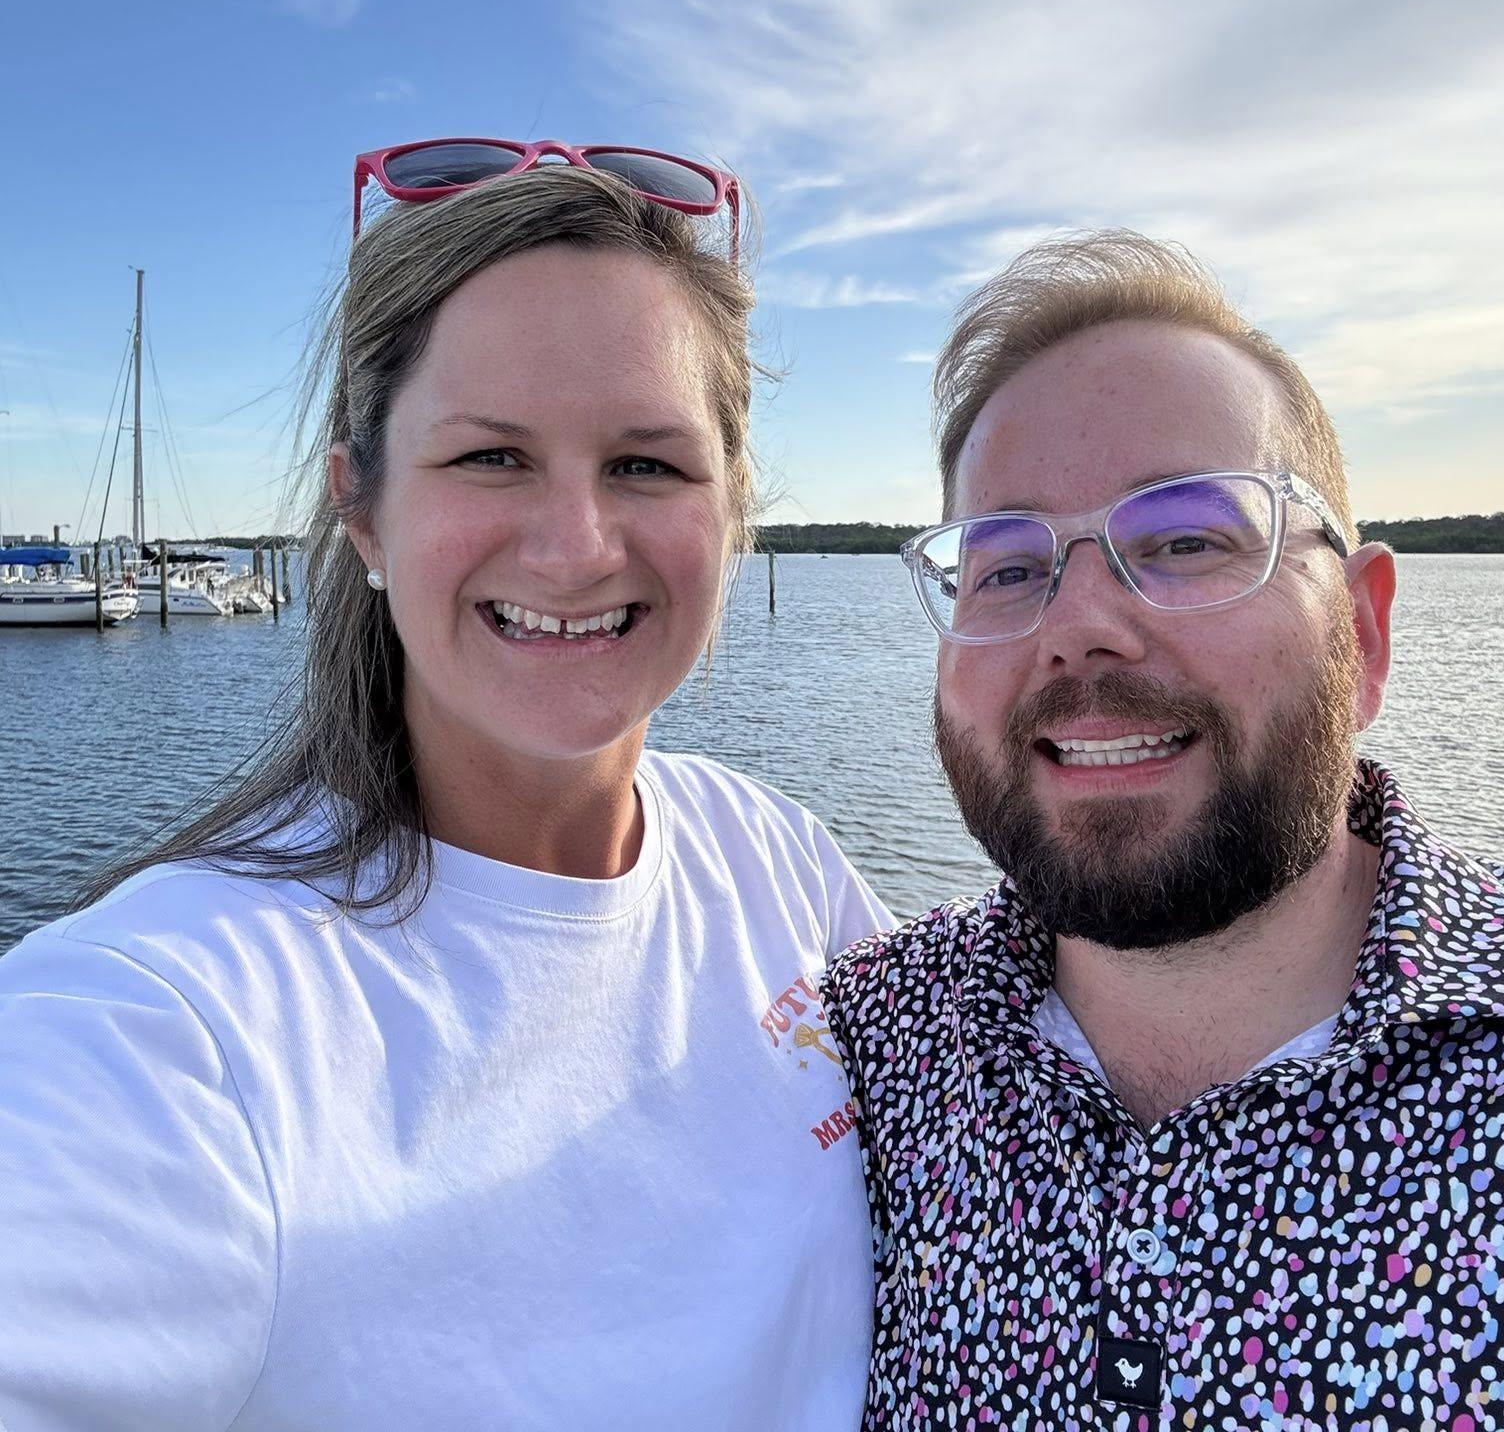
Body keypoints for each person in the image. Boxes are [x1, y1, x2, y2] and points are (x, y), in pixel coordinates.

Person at [0, 144, 891, 1430]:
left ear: (732, 509)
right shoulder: (168, 1026)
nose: (577, 549)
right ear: (361, 509)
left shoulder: (777, 863)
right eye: (490, 458)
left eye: (647, 464)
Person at [822, 231, 1504, 1430]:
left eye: (1189, 540)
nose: (1079, 626)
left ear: (1361, 634)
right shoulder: (867, 1048)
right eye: (1006, 567)